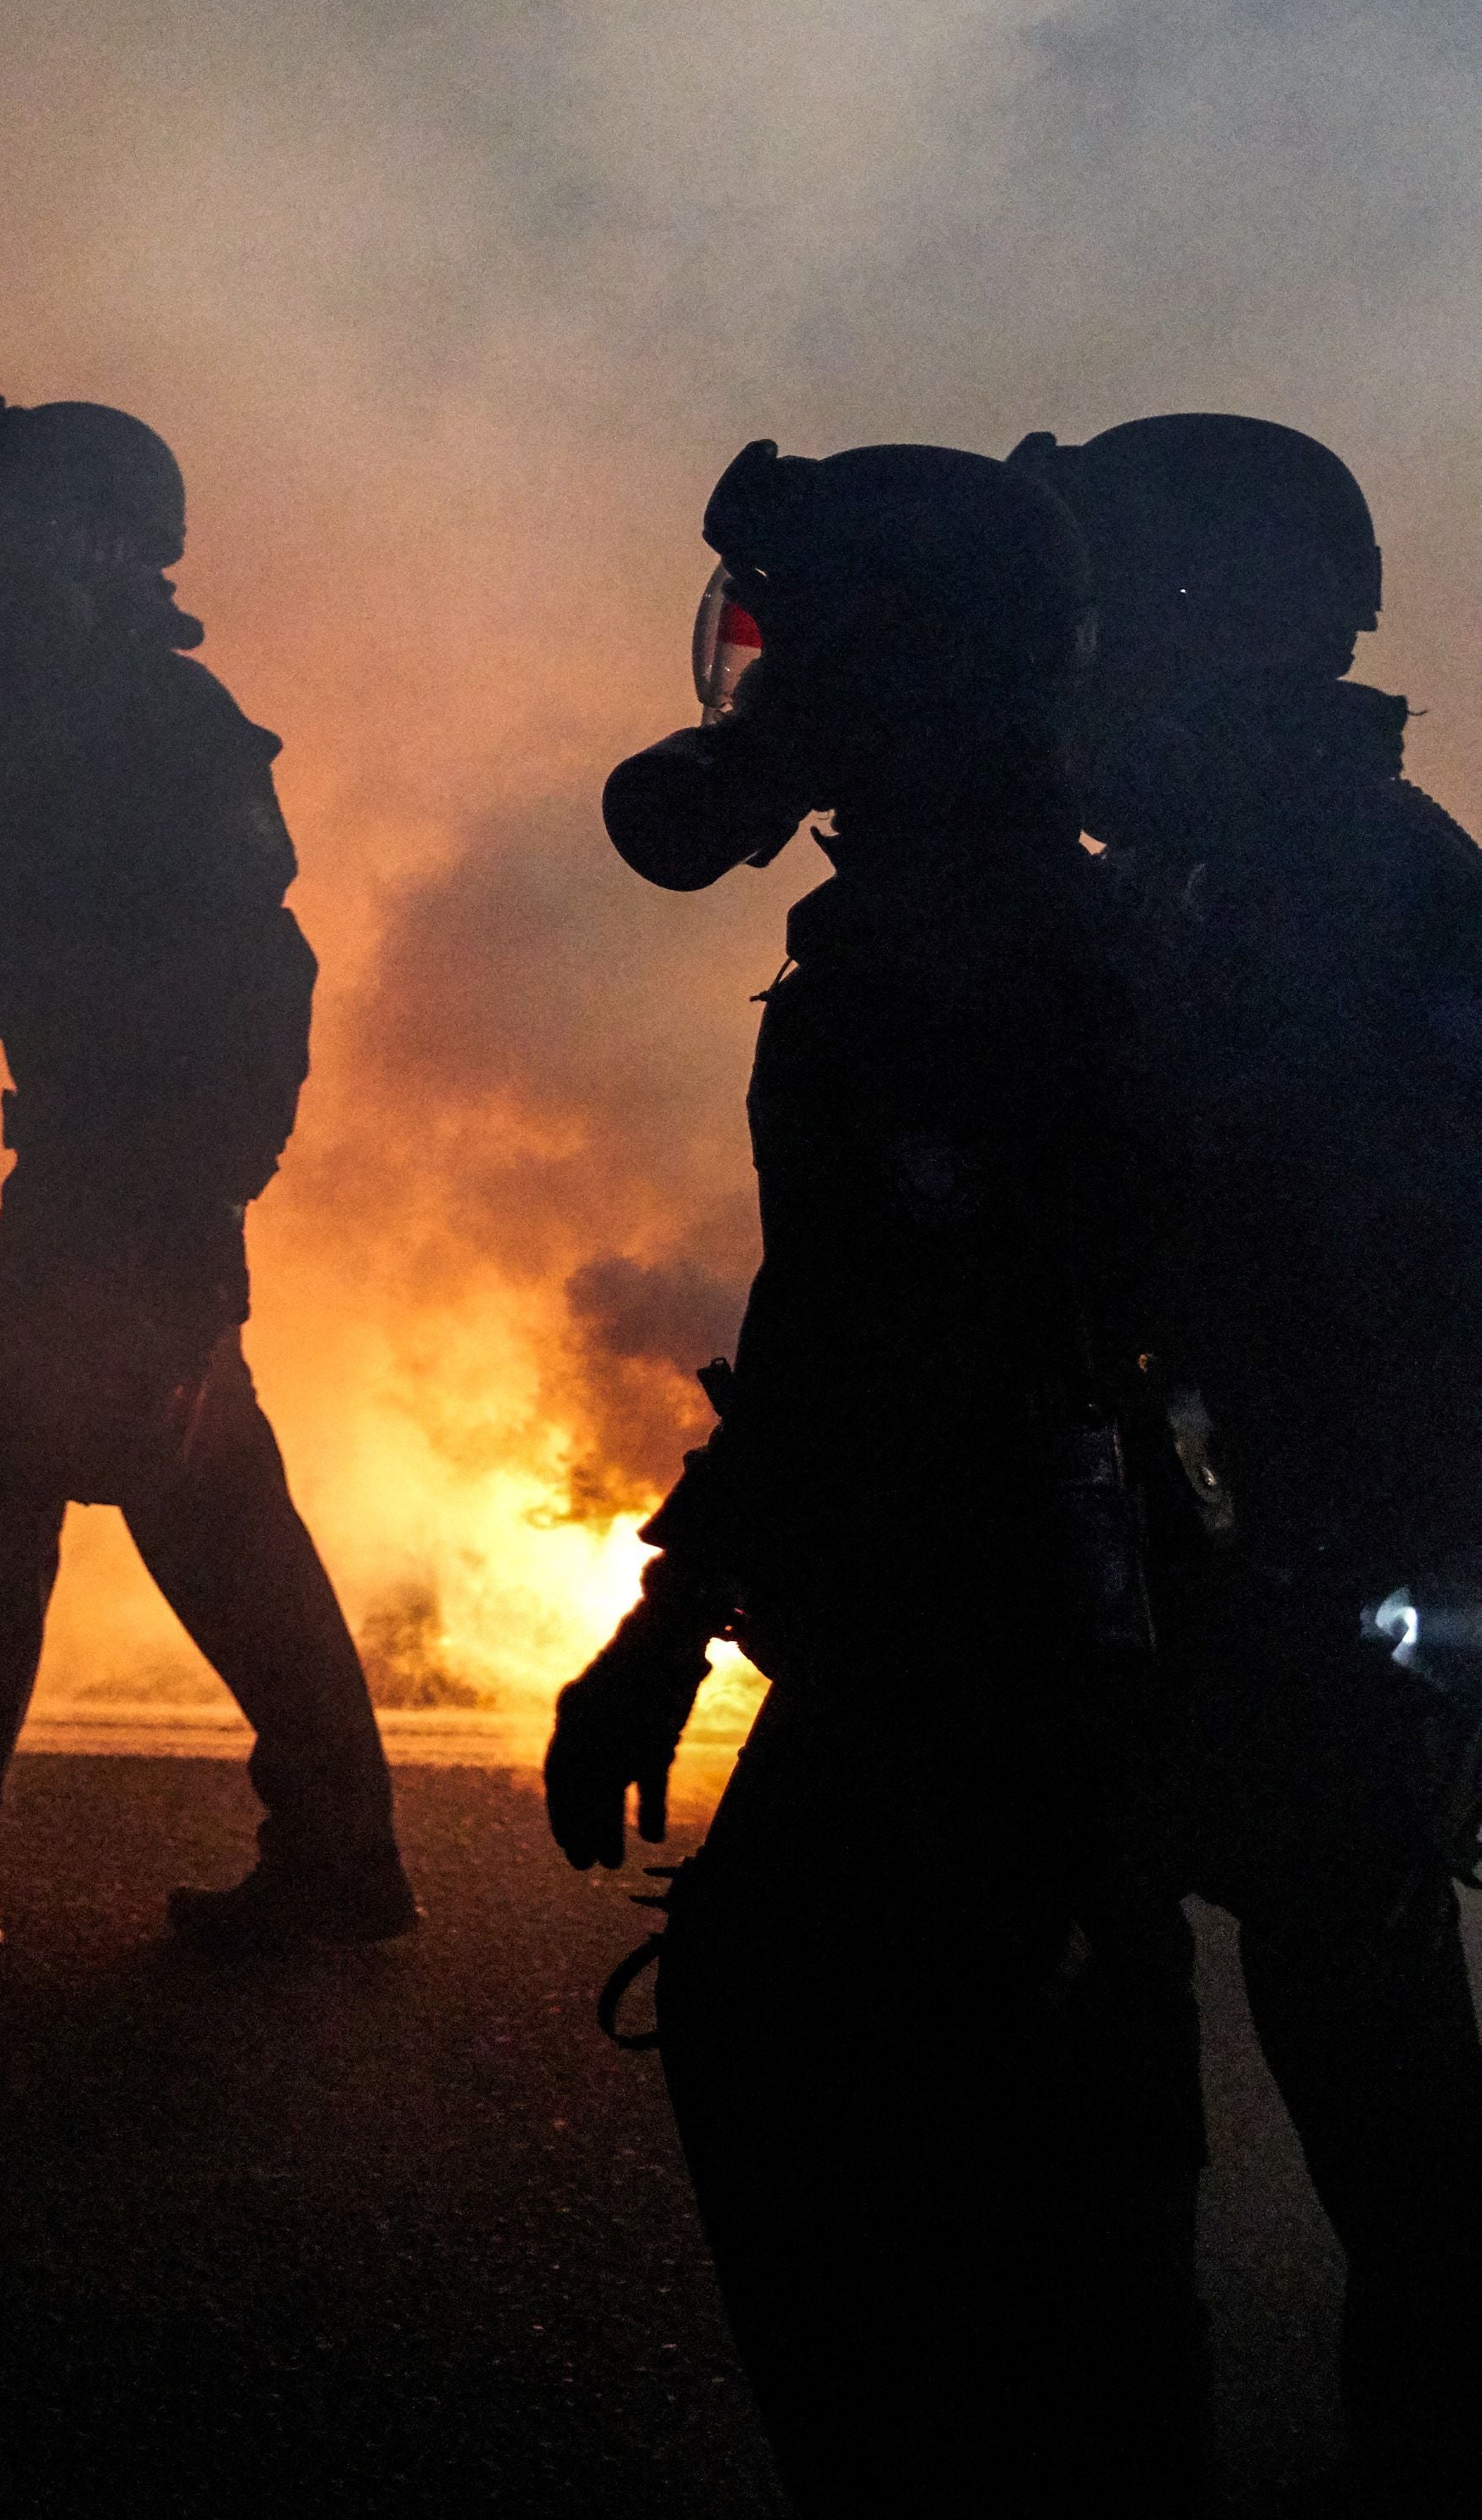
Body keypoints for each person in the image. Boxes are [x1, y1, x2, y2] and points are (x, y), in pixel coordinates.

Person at [545, 442, 1208, 2510]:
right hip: (1009, 1620)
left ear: (888, 666)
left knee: (869, 2112)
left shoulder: (956, 956)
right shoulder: (986, 910)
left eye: (793, 637)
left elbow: (888, 1353)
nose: (754, 686)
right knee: (1048, 2160)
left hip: (970, 1639)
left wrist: (663, 1630)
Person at [0, 261, 403, 1954]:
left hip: (126, 1186)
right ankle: (331, 1848)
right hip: (110, 1177)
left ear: (106, 546)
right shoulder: (55, 692)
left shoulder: (158, 723)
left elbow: (256, 989)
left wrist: (183, 1223)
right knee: (201, 1511)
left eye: (25, 525)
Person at [1014, 413, 1482, 2492]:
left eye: (1114, 613)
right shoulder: (1221, 860)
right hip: (1242, 1544)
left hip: (1305, 1557)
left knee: (1363, 2039)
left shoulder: (1350, 889)